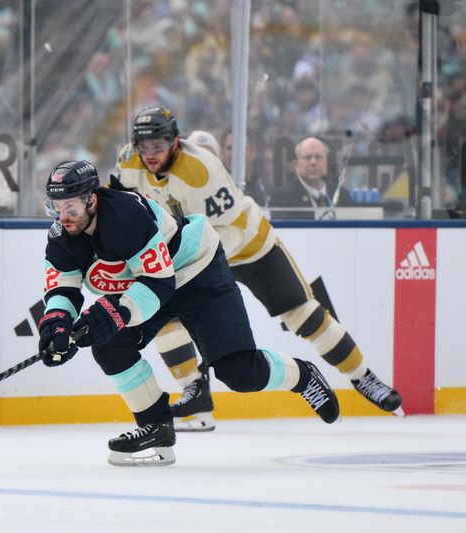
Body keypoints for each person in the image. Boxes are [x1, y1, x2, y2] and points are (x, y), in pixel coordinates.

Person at [111, 106, 401, 432]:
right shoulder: (127, 161)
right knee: (158, 314)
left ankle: (362, 377)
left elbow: (216, 230)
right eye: (144, 147)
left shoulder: (200, 172)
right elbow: (117, 204)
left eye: (159, 145)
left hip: (245, 246)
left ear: (175, 141)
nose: (150, 154)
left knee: (302, 314)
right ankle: (196, 394)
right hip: (191, 255)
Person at [38, 159, 339, 466]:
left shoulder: (124, 216)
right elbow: (63, 288)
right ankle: (156, 426)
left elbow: (159, 282)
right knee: (109, 345)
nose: (63, 217)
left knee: (239, 372)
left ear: (92, 199)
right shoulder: (62, 236)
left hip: (196, 273)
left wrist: (116, 313)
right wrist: (56, 325)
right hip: (149, 285)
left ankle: (304, 376)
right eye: (55, 207)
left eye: (71, 208)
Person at [270, 136, 354, 209]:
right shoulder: (282, 198)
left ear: (327, 162)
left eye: (318, 157)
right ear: (296, 164)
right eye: (307, 157)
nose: (313, 162)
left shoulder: (342, 195)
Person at [220, 128, 270, 207]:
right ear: (222, 153)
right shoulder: (215, 188)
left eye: (241, 148)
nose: (235, 153)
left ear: (252, 152)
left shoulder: (264, 189)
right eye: (230, 148)